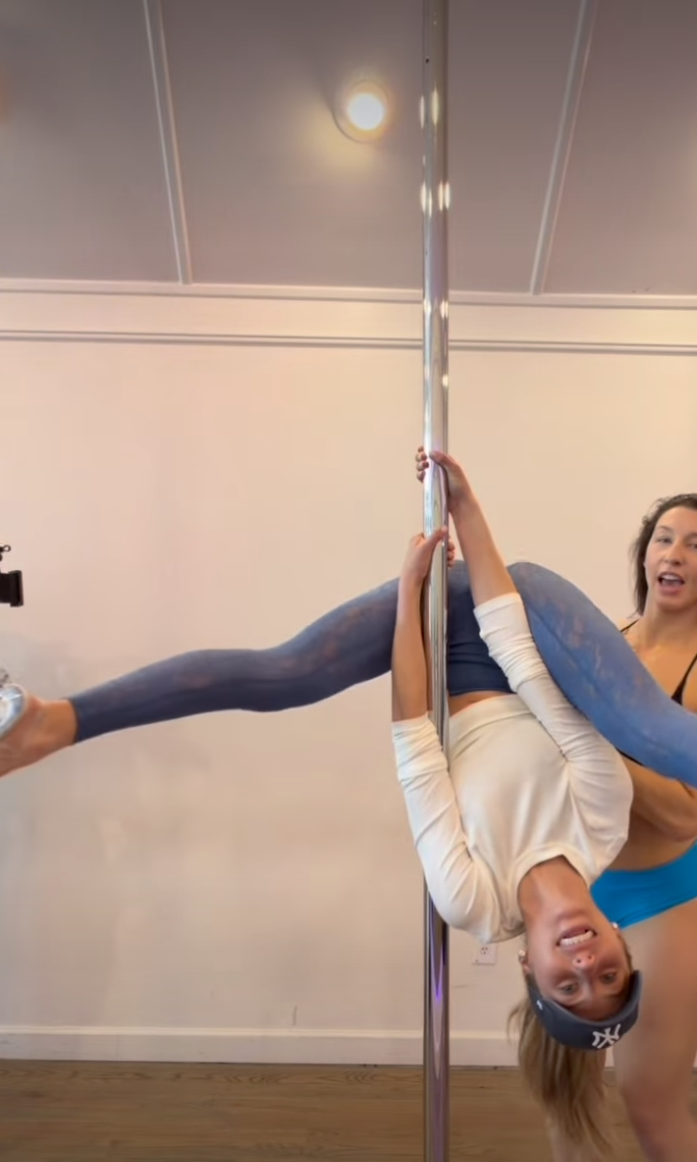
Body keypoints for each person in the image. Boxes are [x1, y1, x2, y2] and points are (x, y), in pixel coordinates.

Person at [1, 457, 697, 1152]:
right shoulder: (599, 822)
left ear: (529, 970)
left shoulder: (473, 901)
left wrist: (410, 599)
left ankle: (49, 721)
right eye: (606, 971)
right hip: (524, 617)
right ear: (615, 939)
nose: (582, 963)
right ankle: (54, 722)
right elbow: (523, 663)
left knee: (287, 675)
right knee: (650, 733)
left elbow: (415, 743)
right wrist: (468, 511)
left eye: (569, 985)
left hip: (439, 650)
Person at [550, 492, 697, 1162]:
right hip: (580, 892)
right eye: (663, 537)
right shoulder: (606, 640)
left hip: (663, 899)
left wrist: (597, 744)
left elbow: (683, 813)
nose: (673, 554)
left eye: (695, 545)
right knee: (564, 1097)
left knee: (649, 1104)